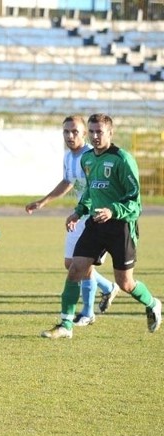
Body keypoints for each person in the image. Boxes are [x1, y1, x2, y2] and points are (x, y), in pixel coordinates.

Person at [41, 114, 161, 339]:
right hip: (96, 224)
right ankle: (66, 325)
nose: (95, 136)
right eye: (92, 131)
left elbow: (135, 202)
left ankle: (153, 303)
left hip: (121, 227)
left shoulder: (122, 159)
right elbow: (90, 192)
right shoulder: (87, 159)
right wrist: (78, 212)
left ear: (110, 133)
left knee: (125, 283)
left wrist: (113, 210)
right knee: (75, 269)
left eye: (100, 132)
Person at [26, 115, 119, 326]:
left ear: (84, 133)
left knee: (81, 265)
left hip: (94, 216)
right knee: (71, 264)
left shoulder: (91, 155)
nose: (70, 135)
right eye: (66, 132)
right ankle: (108, 288)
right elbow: (68, 181)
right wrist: (43, 202)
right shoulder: (69, 156)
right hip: (79, 215)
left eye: (74, 131)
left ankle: (87, 313)